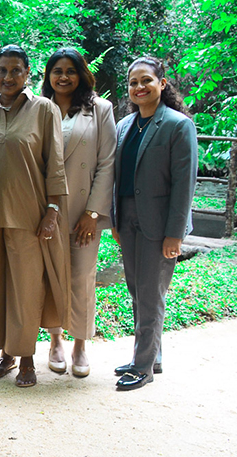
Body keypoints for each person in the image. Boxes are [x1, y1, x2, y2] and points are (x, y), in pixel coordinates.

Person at [0, 45, 70, 388]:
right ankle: (6, 355)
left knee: (25, 290)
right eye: (2, 70)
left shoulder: (44, 109)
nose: (8, 77)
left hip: (29, 215)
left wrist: (53, 210)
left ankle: (27, 358)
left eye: (15, 71)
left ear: (28, 73)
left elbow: (54, 163)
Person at [111, 56, 197, 391]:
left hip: (159, 225)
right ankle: (151, 357)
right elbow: (115, 179)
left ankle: (142, 366)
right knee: (136, 289)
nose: (139, 87)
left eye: (146, 80)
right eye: (133, 82)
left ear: (162, 83)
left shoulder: (178, 125)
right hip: (128, 219)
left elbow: (184, 183)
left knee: (151, 294)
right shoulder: (124, 127)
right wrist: (115, 219)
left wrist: (175, 234)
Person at [39, 49, 116, 378]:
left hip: (84, 211)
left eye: (71, 70)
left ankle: (81, 343)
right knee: (49, 275)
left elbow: (107, 162)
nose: (63, 76)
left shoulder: (100, 109)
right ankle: (55, 340)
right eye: (57, 70)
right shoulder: (39, 109)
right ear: (48, 75)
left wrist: (94, 212)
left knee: (82, 278)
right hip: (46, 211)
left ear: (82, 74)